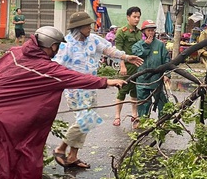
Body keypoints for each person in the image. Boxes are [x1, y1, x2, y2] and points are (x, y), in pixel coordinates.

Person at [0, 27, 125, 179]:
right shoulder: (46, 68)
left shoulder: (14, 52)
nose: (57, 51)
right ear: (51, 45)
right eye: (57, 47)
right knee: (12, 143)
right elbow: (73, 77)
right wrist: (106, 81)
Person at [53, 11, 143, 169]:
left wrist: (126, 57)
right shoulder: (66, 45)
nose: (90, 28)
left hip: (91, 86)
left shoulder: (93, 40)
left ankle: (73, 155)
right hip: (75, 89)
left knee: (88, 121)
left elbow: (109, 50)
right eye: (87, 26)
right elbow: (56, 67)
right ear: (78, 27)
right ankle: (60, 148)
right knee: (85, 119)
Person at [132, 20, 171, 120]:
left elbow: (167, 60)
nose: (151, 33)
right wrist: (146, 45)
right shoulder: (137, 45)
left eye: (152, 30)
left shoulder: (160, 45)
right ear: (144, 32)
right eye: (148, 30)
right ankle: (143, 120)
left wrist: (167, 74)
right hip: (142, 79)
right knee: (143, 102)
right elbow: (138, 55)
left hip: (156, 79)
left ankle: (163, 121)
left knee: (161, 100)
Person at [114, 7, 142, 127]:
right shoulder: (122, 31)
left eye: (138, 17)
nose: (137, 19)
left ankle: (134, 115)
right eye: (134, 17)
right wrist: (122, 65)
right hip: (127, 65)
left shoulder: (140, 32)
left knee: (135, 92)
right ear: (128, 17)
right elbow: (118, 50)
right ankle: (117, 116)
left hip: (138, 67)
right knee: (122, 91)